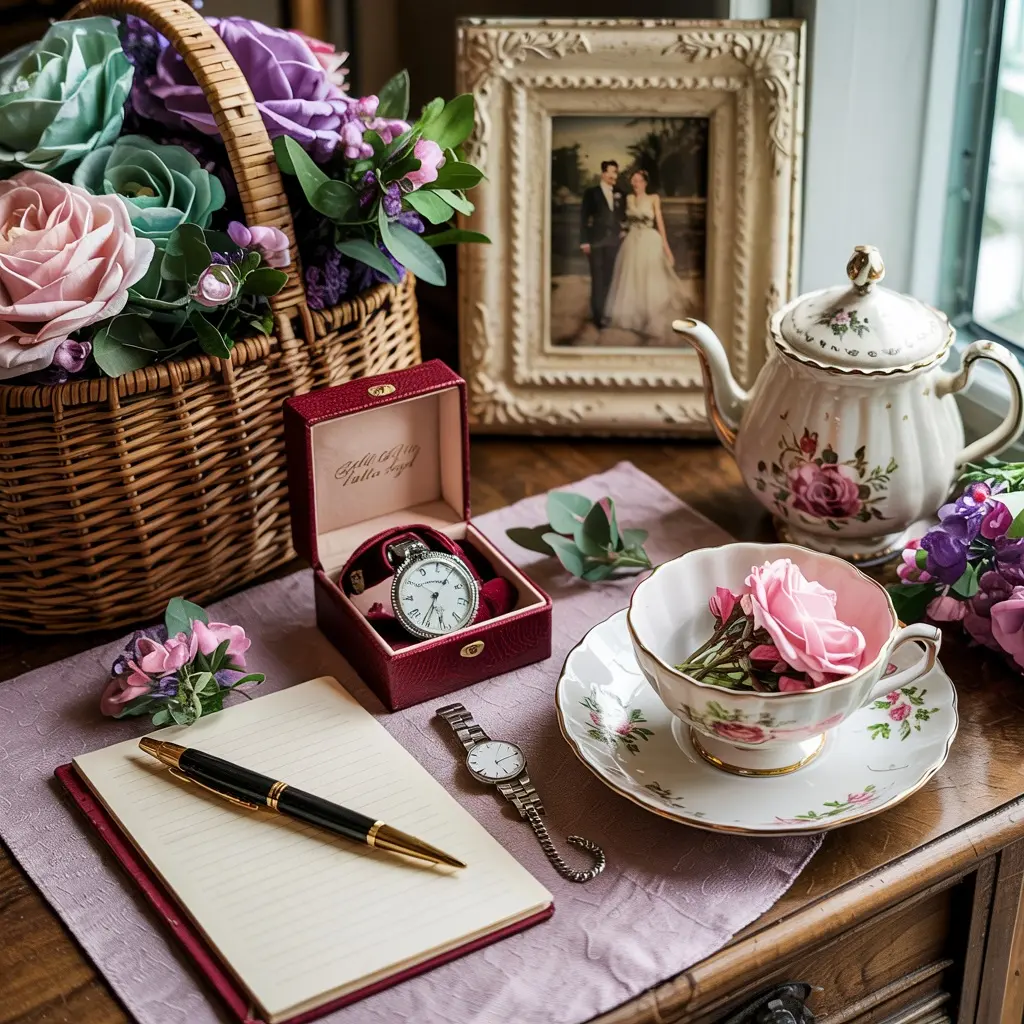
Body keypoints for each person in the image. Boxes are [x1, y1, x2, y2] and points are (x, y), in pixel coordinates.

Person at [604, 169, 694, 341]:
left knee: (650, 279)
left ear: (645, 183)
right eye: (633, 181)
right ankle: (636, 319)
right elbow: (626, 220)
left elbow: (659, 222)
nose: (635, 184)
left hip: (650, 241)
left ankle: (653, 320)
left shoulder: (653, 198)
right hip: (632, 241)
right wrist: (623, 230)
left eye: (638, 181)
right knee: (632, 280)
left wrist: (666, 248)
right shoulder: (629, 198)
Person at [579, 160, 625, 327]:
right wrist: (584, 241)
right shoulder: (591, 193)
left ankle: (606, 311)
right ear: (603, 173)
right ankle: (598, 317)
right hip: (596, 242)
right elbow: (583, 218)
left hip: (614, 242)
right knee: (597, 279)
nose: (614, 176)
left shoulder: (620, 193)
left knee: (609, 278)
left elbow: (623, 216)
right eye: (611, 172)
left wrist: (623, 229)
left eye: (616, 172)